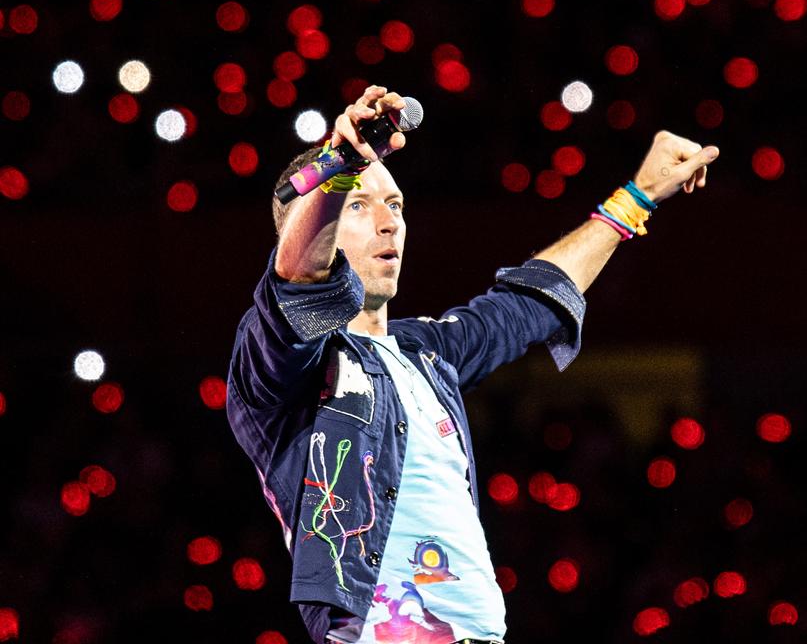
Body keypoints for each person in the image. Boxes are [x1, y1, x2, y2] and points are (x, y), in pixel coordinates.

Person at [225, 84, 719, 643]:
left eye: (396, 205)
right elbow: (297, 287)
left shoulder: (425, 352)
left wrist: (637, 196)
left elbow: (530, 301)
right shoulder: (279, 365)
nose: (390, 223)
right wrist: (339, 164)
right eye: (360, 205)